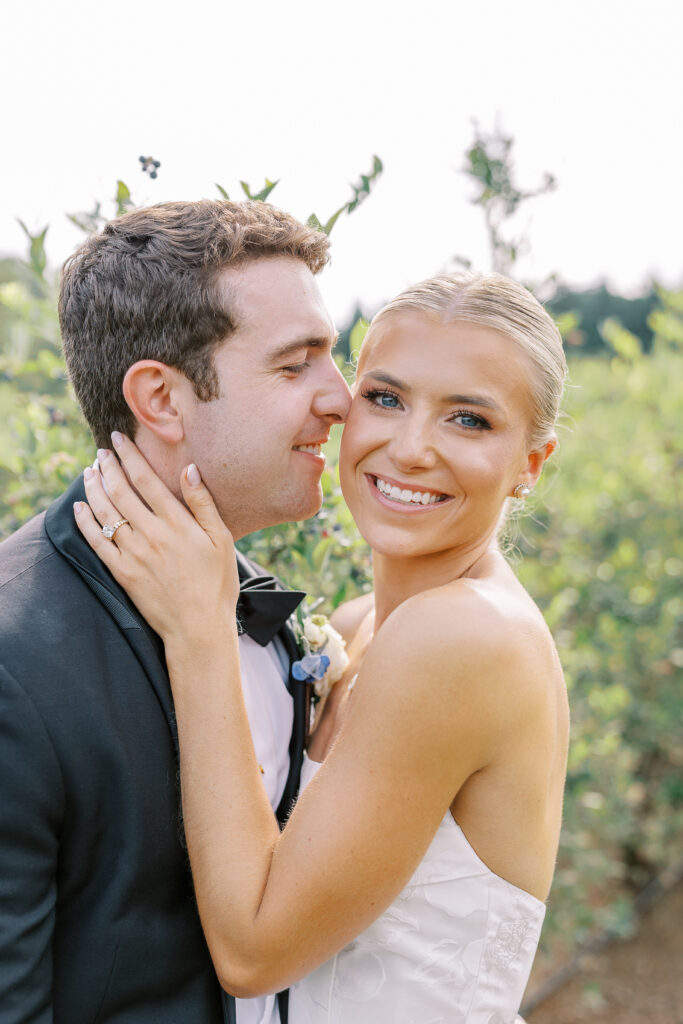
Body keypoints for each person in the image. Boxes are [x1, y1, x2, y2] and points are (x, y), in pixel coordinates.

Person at [76, 271, 570, 1023]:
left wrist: (199, 630)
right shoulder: (356, 624)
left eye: (468, 420)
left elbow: (253, 954)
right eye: (386, 398)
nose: (408, 449)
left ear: (529, 467)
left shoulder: (463, 636)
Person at [0, 200, 350, 1024]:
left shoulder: (256, 601)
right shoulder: (14, 662)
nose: (341, 399)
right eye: (296, 365)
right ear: (160, 398)